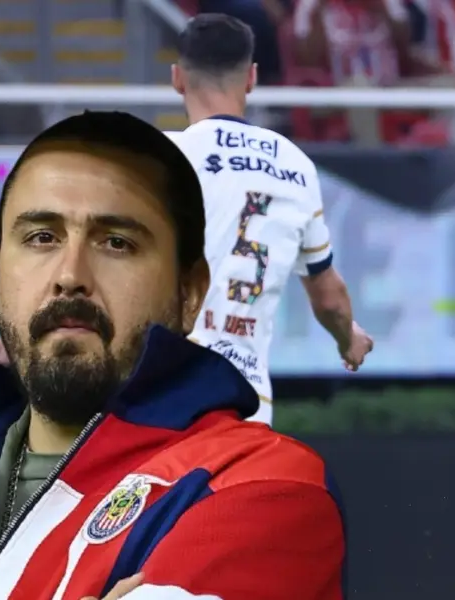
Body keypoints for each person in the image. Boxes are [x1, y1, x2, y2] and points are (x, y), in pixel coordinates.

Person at [0, 111, 346, 600]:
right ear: (0, 269)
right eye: (42, 238)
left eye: (116, 243)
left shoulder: (264, 491)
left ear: (189, 292)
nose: (69, 274)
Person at [168, 13, 373, 426]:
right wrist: (348, 337)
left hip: (166, 392)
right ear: (252, 78)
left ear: (177, 78)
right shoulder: (295, 165)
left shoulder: (157, 157)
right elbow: (329, 296)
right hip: (246, 405)